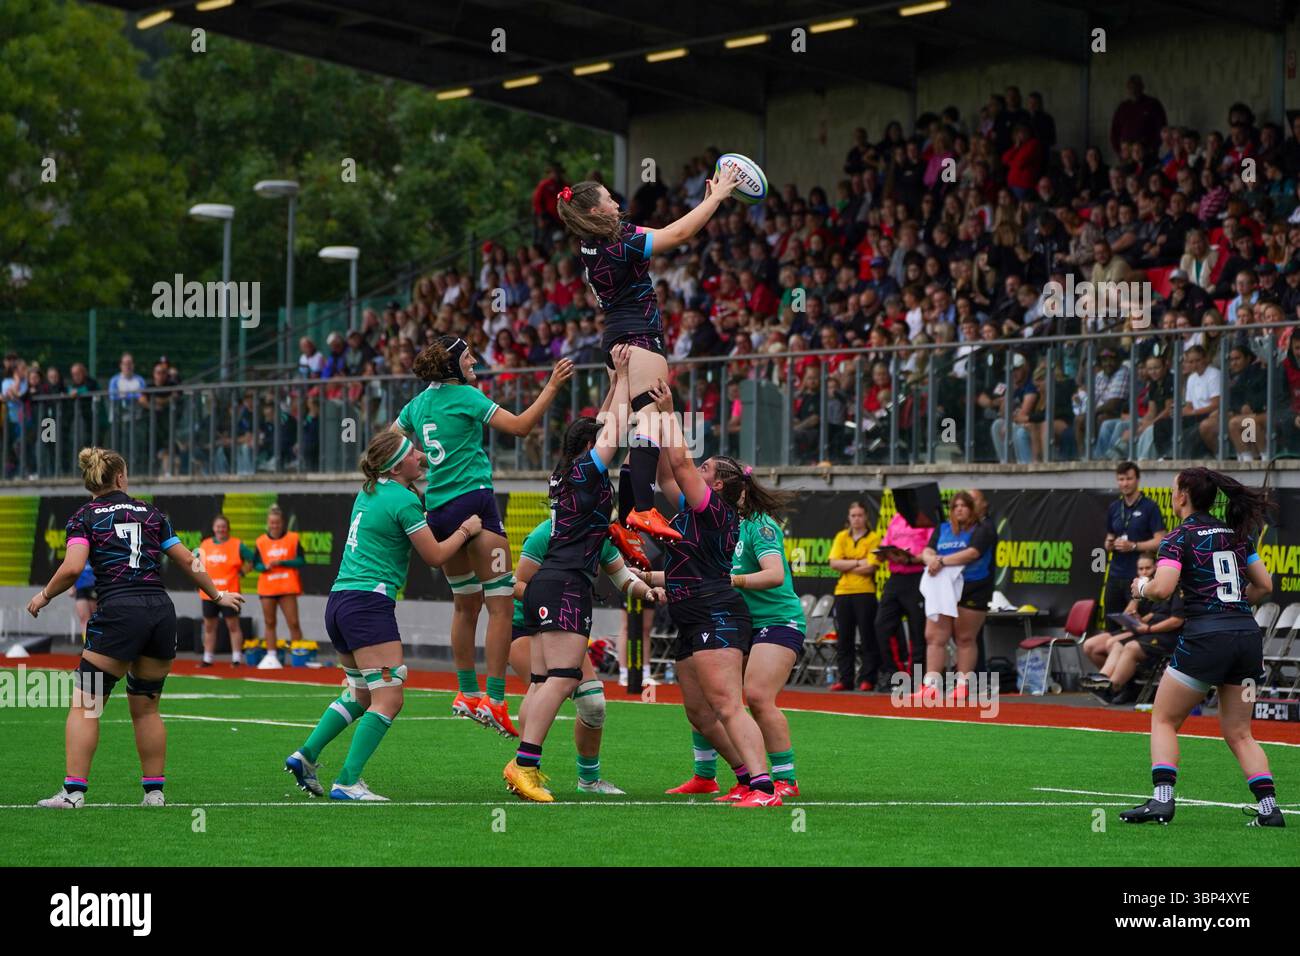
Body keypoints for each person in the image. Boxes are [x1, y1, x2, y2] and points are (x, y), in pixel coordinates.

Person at [28, 447, 244, 809]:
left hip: (119, 611)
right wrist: (217, 594)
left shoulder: (84, 517)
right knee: (146, 707)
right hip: (160, 612)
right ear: (121, 478)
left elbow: (71, 567)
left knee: (87, 705)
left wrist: (44, 596)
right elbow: (188, 560)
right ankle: (154, 794)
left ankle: (73, 793)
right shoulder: (150, 512)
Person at [285, 431, 483, 800]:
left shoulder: (371, 489)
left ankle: (306, 755)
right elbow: (436, 557)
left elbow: (408, 474)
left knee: (360, 693)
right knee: (389, 698)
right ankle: (347, 781)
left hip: (341, 600)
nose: (419, 457)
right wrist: (466, 529)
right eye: (412, 454)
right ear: (396, 465)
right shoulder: (402, 499)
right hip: (368, 604)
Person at [504, 348, 664, 803]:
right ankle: (525, 765)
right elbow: (610, 430)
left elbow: (603, 422)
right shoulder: (585, 472)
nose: (607, 448)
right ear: (588, 449)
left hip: (549, 584)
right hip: (567, 583)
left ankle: (522, 765)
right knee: (563, 676)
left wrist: (615, 381)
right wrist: (632, 379)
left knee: (541, 682)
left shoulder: (567, 471)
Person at [393, 336, 573, 736]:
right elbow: (522, 428)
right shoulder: (467, 396)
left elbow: (391, 443)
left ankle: (466, 693)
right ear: (454, 364)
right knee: (501, 605)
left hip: (438, 508)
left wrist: (411, 470)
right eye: (468, 355)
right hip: (474, 502)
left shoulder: (418, 403)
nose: (474, 360)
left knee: (464, 605)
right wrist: (552, 386)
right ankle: (495, 699)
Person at [555, 164, 741, 544]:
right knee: (651, 422)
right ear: (595, 211)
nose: (615, 200)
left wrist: (706, 203)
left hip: (617, 341)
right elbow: (680, 234)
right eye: (608, 198)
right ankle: (641, 509)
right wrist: (720, 198)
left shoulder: (594, 242)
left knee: (635, 433)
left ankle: (626, 525)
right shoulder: (619, 243)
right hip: (640, 338)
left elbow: (673, 230)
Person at [637, 381, 786, 807]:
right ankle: (743, 777)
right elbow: (669, 472)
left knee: (727, 705)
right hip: (691, 613)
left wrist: (669, 414)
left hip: (715, 610)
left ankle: (763, 786)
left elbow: (680, 464)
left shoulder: (713, 510)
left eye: (706, 469)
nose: (697, 469)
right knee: (700, 713)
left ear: (717, 486)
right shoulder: (690, 510)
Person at [1121, 468, 1283, 827]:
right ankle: (1269, 809)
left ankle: (1161, 801)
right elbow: (1265, 585)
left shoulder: (1178, 537)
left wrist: (1140, 588)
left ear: (1182, 497)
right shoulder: (1237, 534)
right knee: (1240, 732)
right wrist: (1234, 603)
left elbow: (1163, 589)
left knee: (1164, 719)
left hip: (1207, 638)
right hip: (1246, 635)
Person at [667, 491, 805, 798]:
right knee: (707, 698)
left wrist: (729, 581)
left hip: (775, 620)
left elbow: (774, 574)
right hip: (736, 620)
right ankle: (705, 775)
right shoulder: (715, 524)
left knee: (756, 696)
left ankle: (786, 779)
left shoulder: (759, 525)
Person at [917, 491, 997, 700]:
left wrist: (941, 561)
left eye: (964, 505)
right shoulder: (942, 529)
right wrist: (930, 559)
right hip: (943, 589)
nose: (959, 509)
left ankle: (962, 685)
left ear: (972, 509)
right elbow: (927, 551)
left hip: (973, 587)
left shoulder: (984, 528)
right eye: (955, 506)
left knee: (965, 637)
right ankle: (930, 685)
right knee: (934, 637)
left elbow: (972, 553)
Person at [1080, 555, 1184, 706]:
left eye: (1148, 568)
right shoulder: (1146, 587)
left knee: (1127, 646)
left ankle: (1112, 687)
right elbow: (1149, 615)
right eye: (1140, 569)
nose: (1144, 572)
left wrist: (1147, 627)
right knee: (1114, 644)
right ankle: (1103, 679)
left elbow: (1176, 620)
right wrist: (1138, 615)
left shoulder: (1174, 589)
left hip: (1165, 636)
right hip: (1146, 631)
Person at [872, 501, 934, 686]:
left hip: (918, 577)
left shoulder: (926, 520)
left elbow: (931, 550)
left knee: (918, 629)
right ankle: (895, 674)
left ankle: (916, 677)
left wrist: (910, 559)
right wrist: (886, 554)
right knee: (882, 625)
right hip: (895, 577)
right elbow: (885, 544)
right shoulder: (896, 518)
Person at [827, 501, 882, 691]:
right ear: (848, 518)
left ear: (866, 516)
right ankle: (846, 679)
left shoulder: (874, 538)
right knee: (844, 639)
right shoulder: (841, 536)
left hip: (865, 592)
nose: (856, 519)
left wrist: (847, 563)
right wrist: (859, 561)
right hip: (843, 592)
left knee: (867, 637)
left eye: (860, 515)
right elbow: (833, 563)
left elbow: (871, 568)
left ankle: (868, 678)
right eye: (853, 515)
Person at [1102, 461, 1166, 621]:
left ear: (1137, 479)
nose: (1125, 483)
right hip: (1115, 575)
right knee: (1112, 624)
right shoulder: (1114, 507)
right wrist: (1109, 544)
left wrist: (1134, 546)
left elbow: (1161, 540)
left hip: (1139, 575)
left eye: (1129, 479)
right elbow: (1108, 538)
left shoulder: (1150, 507)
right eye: (1121, 479)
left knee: (1135, 623)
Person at [196, 514, 256, 667]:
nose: (220, 529)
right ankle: (207, 658)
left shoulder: (237, 544)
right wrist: (199, 578)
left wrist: (242, 572)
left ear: (228, 528)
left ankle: (236, 658)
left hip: (230, 592)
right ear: (213, 528)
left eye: (223, 526)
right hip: (209, 593)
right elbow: (194, 564)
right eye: (218, 526)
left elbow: (253, 559)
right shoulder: (205, 545)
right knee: (209, 626)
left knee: (233, 625)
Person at [254, 505, 305, 666]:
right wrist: (264, 567)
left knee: (293, 622)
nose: (274, 525)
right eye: (271, 523)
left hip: (287, 587)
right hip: (267, 588)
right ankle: (271, 656)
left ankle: (298, 655)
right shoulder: (261, 541)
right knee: (269, 622)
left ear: (282, 523)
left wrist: (282, 562)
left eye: (277, 523)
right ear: (268, 523)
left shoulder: (293, 538)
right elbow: (256, 564)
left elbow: (301, 561)